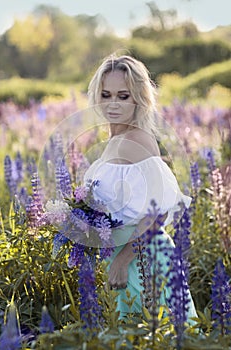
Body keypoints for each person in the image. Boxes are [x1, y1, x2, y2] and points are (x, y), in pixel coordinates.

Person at [84, 54, 197, 321]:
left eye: (123, 96)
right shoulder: (115, 140)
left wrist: (123, 260)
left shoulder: (139, 140)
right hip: (119, 257)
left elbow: (156, 211)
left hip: (143, 260)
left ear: (139, 99)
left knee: (159, 336)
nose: (113, 104)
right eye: (106, 94)